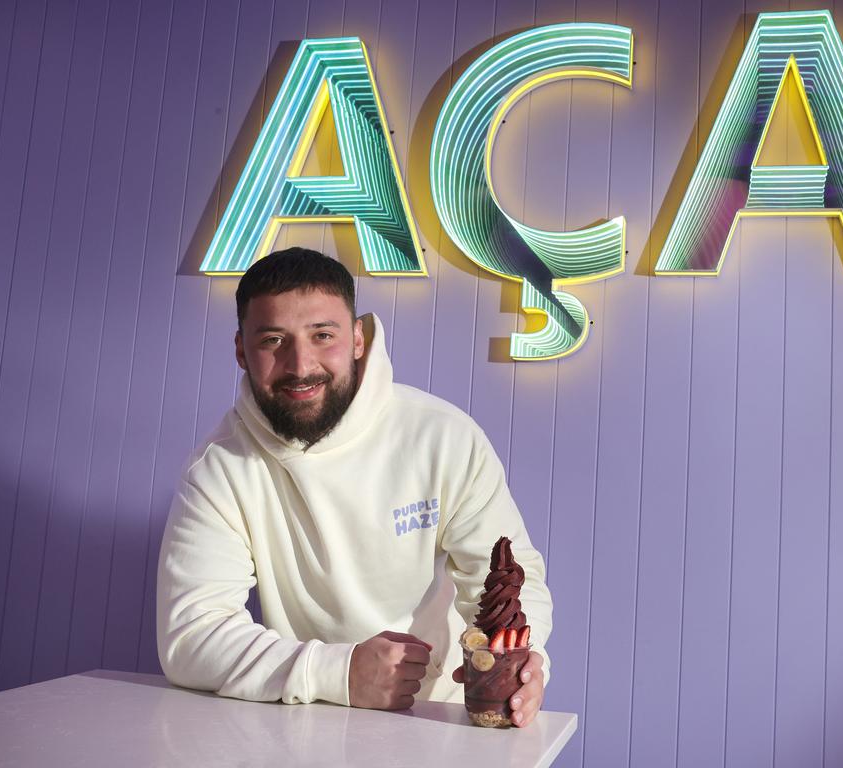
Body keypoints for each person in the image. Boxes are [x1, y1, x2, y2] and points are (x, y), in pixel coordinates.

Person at [156, 247, 553, 727]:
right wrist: (340, 673)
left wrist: (524, 663)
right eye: (273, 340)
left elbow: (510, 580)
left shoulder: (443, 437)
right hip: (307, 717)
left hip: (444, 719)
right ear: (241, 350)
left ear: (359, 338)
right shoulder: (219, 467)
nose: (301, 365)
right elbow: (191, 635)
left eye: (323, 335)